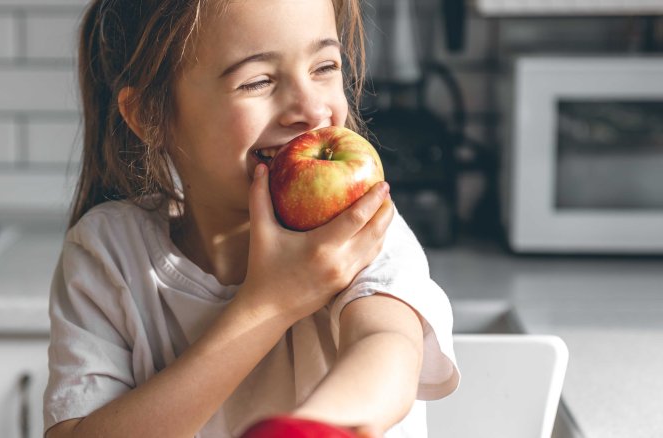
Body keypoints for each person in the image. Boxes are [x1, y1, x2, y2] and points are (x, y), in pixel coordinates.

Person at [44, 0, 460, 437]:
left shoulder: (356, 234)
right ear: (151, 115)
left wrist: (306, 429)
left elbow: (386, 349)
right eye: (257, 81)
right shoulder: (109, 252)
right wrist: (272, 303)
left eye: (324, 67)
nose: (312, 110)